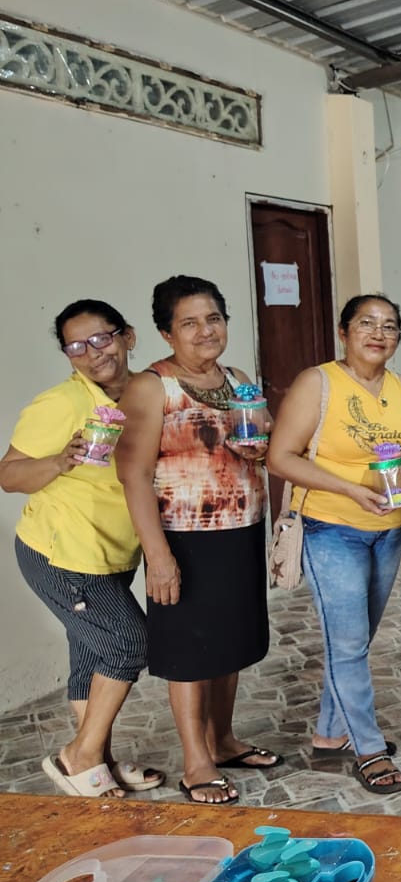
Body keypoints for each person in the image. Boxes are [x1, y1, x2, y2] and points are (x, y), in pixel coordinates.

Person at [117, 276, 277, 804]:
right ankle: (196, 762)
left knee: (230, 641)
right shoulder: (152, 387)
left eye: (214, 318)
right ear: (167, 334)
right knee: (190, 651)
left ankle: (224, 741)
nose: (206, 330)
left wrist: (260, 446)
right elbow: (133, 474)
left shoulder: (236, 379)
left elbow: (260, 440)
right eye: (189, 323)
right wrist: (158, 556)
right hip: (184, 538)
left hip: (241, 529)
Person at [3, 301, 160, 798]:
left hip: (110, 552)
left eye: (102, 339)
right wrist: (59, 460)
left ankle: (101, 761)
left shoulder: (147, 392)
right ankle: (80, 756)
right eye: (76, 346)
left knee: (91, 653)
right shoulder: (62, 403)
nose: (93, 353)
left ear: (127, 336)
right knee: (129, 642)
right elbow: (8, 474)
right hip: (63, 553)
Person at [267, 293, 401, 795]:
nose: (378, 333)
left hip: (389, 527)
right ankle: (368, 749)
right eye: (366, 323)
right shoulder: (318, 382)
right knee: (348, 643)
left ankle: (330, 735)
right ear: (343, 332)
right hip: (330, 527)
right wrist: (350, 489)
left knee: (353, 640)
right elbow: (281, 457)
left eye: (389, 325)